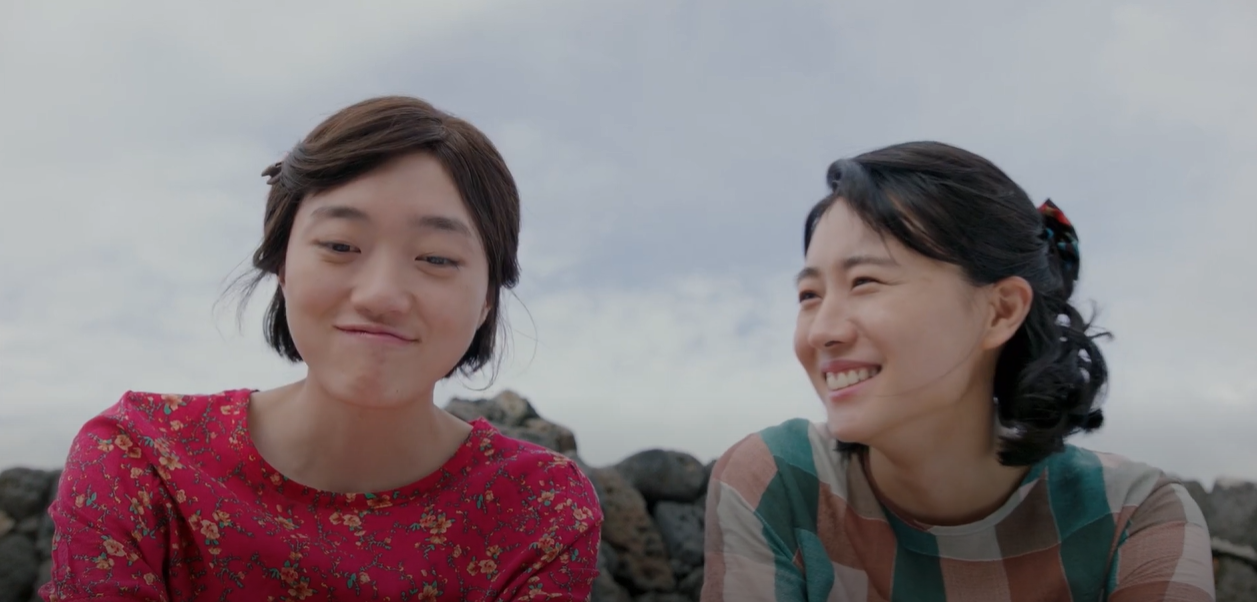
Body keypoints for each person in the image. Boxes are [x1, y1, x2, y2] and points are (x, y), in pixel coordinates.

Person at [41, 96, 603, 602]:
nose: (381, 295)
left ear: (487, 300)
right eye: (339, 245)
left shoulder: (541, 507)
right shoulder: (138, 459)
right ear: (282, 264)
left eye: (436, 258)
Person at [701, 142, 1214, 601]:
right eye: (809, 295)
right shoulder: (777, 482)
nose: (822, 332)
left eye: (865, 282)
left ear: (1000, 311)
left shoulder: (1133, 516)